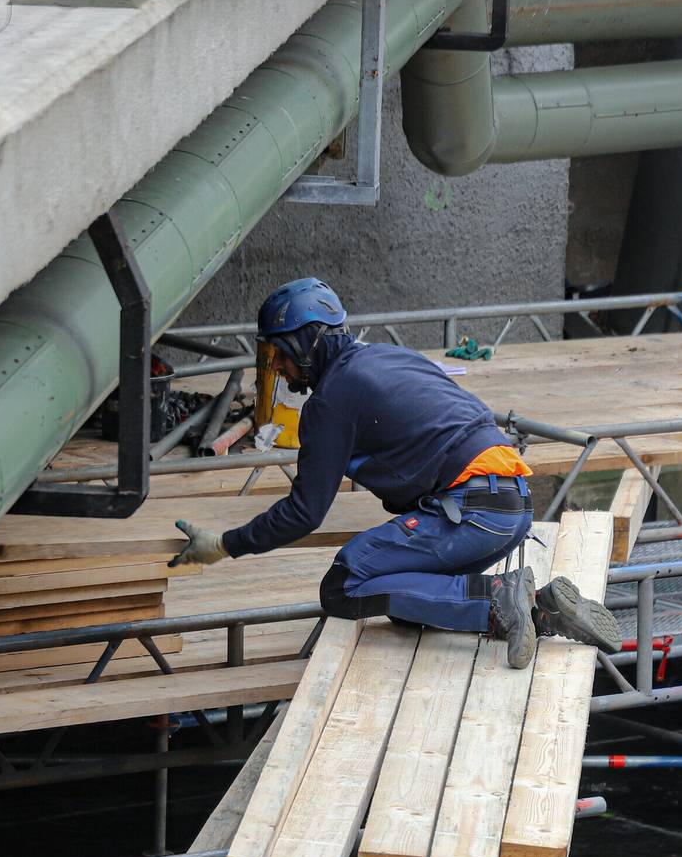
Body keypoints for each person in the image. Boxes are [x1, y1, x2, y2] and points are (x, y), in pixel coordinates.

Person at [170, 277, 621, 670]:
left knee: (345, 586)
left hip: (474, 511)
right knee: (404, 600)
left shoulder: (330, 401)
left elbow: (304, 513)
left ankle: (499, 597)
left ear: (306, 341)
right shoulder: (389, 357)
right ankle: (541, 610)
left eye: (278, 353)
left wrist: (224, 544)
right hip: (513, 505)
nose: (276, 367)